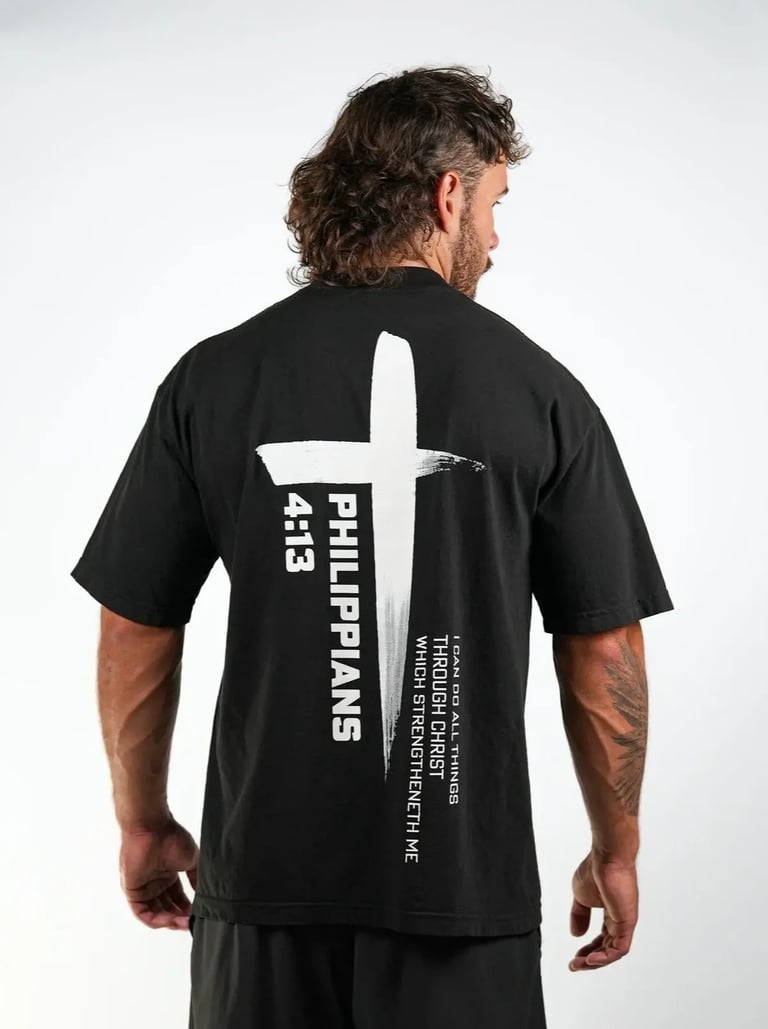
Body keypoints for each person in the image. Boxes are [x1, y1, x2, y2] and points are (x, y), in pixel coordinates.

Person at [70, 65, 674, 1029]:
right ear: (448, 196)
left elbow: (134, 622)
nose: (495, 237)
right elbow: (605, 647)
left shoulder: (215, 379)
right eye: (495, 204)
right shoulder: (538, 392)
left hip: (263, 903)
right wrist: (617, 845)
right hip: (461, 907)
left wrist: (142, 823)